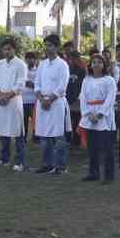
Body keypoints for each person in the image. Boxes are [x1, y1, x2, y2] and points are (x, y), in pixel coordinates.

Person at [33, 34, 71, 175]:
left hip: (56, 103)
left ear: (56, 47)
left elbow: (62, 85)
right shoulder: (42, 64)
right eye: (46, 45)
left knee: (58, 136)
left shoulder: (62, 65)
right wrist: (41, 98)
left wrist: (50, 99)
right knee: (44, 135)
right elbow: (37, 83)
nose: (47, 48)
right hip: (42, 101)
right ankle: (46, 164)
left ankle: (60, 166)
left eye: (50, 45)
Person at [0, 38, 27, 171]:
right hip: (0, 100)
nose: (6, 51)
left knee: (17, 132)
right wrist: (0, 94)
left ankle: (19, 161)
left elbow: (21, 84)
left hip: (14, 101)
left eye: (9, 49)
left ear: (14, 49)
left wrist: (8, 96)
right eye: (4, 49)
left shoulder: (20, 64)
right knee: (3, 129)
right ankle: (4, 158)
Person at [79, 54, 117, 183]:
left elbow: (110, 99)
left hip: (104, 117)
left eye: (99, 62)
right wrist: (88, 114)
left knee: (106, 148)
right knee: (92, 147)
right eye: (93, 62)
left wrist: (99, 114)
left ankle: (108, 175)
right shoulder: (86, 80)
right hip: (90, 115)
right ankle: (93, 173)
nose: (96, 64)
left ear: (104, 65)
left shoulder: (109, 80)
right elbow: (83, 98)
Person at [65, 50, 86, 148]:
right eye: (70, 59)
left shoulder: (82, 69)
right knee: (69, 120)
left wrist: (79, 97)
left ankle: (76, 140)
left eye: (74, 59)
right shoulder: (67, 68)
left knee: (77, 120)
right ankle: (69, 139)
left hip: (77, 98)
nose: (72, 61)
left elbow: (83, 84)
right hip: (68, 97)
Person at [22, 52, 37, 141]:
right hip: (23, 100)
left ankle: (35, 137)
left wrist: (29, 84)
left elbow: (38, 85)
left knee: (35, 120)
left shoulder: (38, 71)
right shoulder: (23, 70)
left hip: (33, 100)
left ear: (35, 60)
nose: (30, 60)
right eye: (28, 58)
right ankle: (23, 138)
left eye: (32, 58)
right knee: (24, 121)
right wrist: (27, 83)